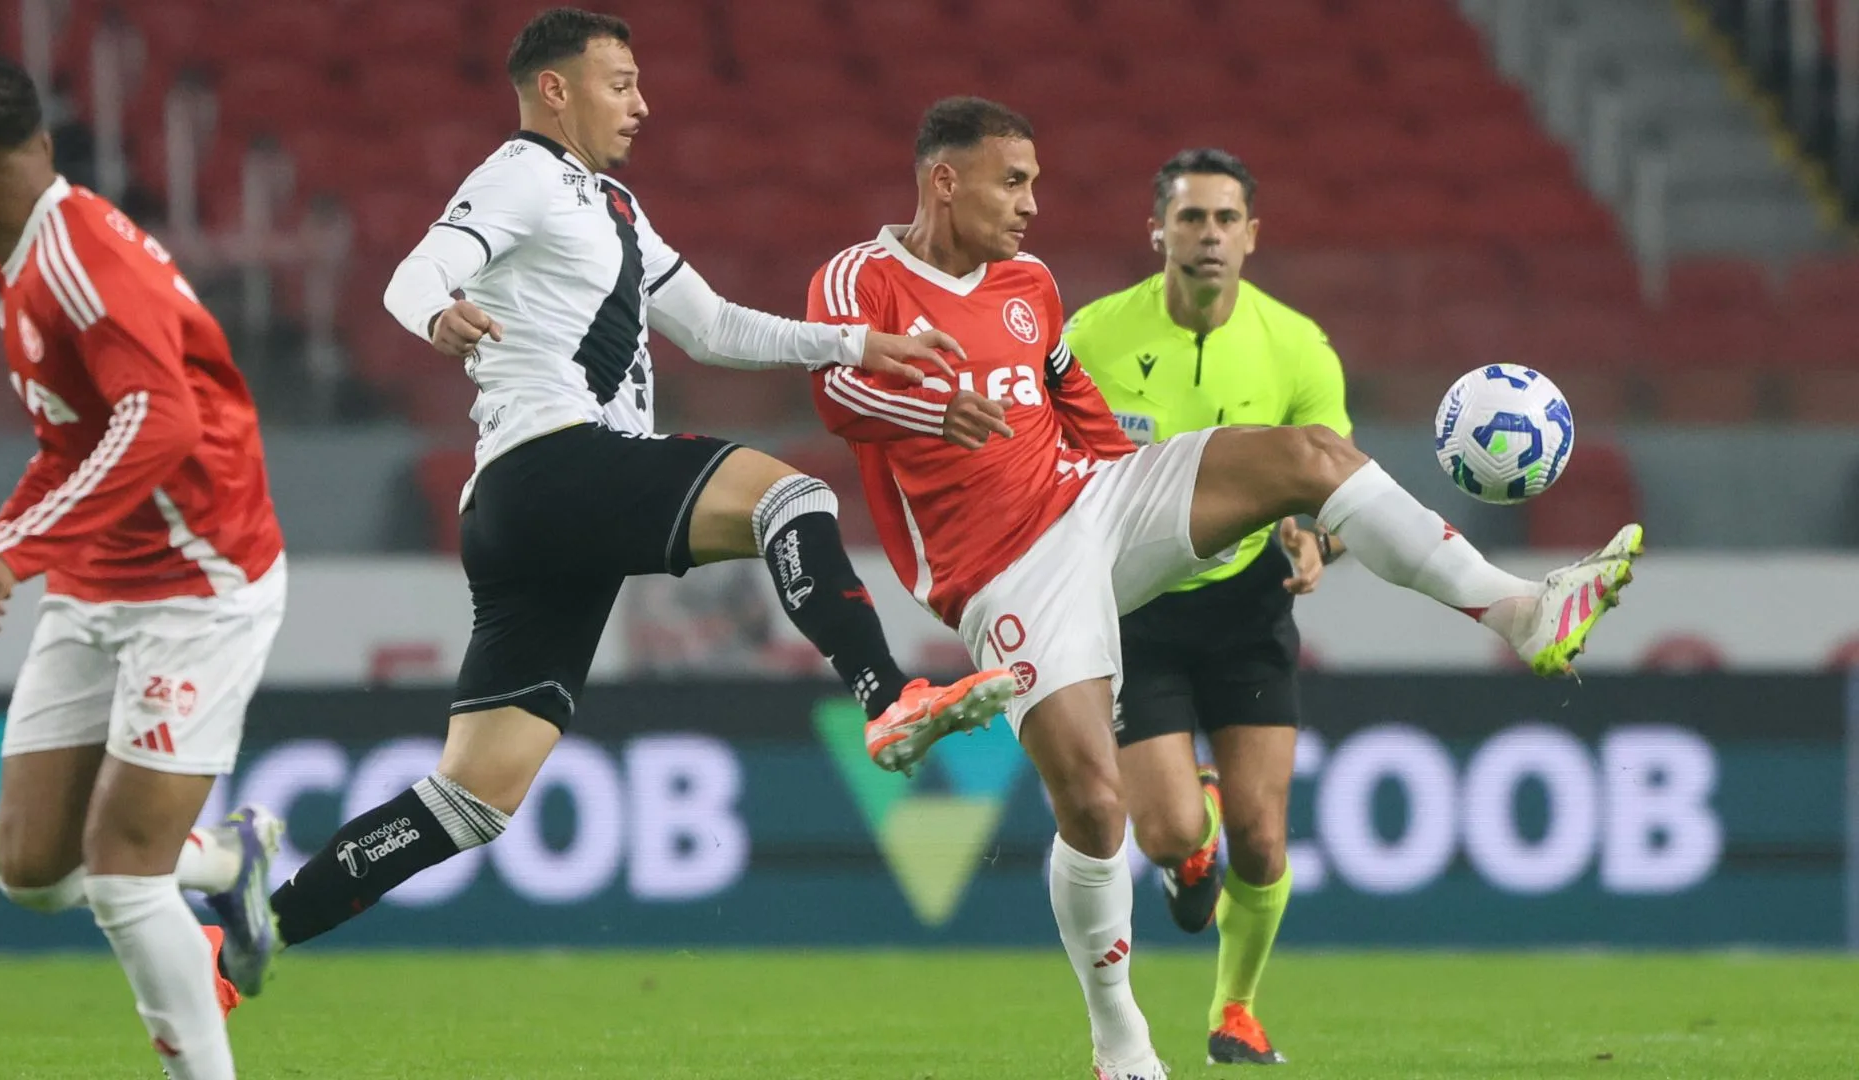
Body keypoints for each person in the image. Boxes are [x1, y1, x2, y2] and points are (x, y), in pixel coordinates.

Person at [806, 97, 1642, 1080]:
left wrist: (1154, 493)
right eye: (1014, 180)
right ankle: (1120, 1039)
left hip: (1100, 500)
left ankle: (1520, 609)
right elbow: (833, 391)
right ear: (946, 180)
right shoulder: (860, 278)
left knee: (1310, 455)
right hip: (1001, 569)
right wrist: (931, 401)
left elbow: (1071, 392)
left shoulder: (1029, 283)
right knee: (1093, 807)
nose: (1033, 202)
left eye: (1035, 179)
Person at [256, 8, 1013, 961]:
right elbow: (417, 271)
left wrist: (857, 342)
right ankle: (886, 695)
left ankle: (260, 930)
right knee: (793, 500)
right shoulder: (522, 174)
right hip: (555, 463)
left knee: (472, 799)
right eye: (621, 83)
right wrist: (437, 316)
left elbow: (716, 328)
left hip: (527, 514)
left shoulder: (611, 206)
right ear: (556, 89)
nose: (643, 104)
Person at [0, 58, 287, 1080]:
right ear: (40, 146)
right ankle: (230, 862)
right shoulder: (29, 252)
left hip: (200, 584)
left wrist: (16, 550)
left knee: (126, 881)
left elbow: (162, 421)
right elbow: (71, 440)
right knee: (37, 872)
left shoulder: (75, 263)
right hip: (103, 579)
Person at [1064, 147, 1350, 1065]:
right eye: (1191, 218)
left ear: (1253, 237)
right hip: (1135, 610)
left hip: (1245, 609)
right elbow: (1045, 469)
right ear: (1158, 231)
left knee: (1263, 840)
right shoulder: (1093, 338)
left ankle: (1237, 1009)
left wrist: (1315, 539)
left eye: (1227, 220)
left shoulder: (1296, 346)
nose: (1209, 236)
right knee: (1170, 832)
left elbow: (1335, 489)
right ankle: (1193, 847)